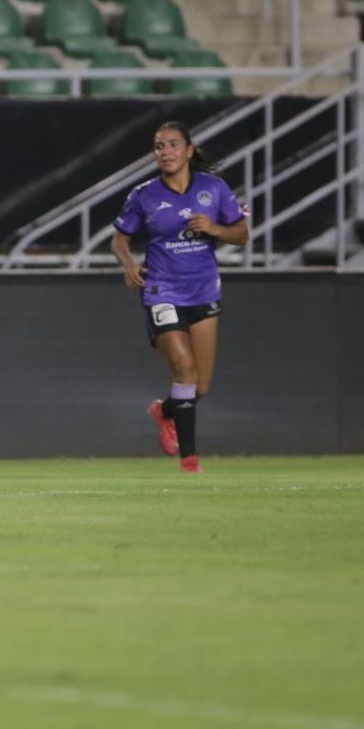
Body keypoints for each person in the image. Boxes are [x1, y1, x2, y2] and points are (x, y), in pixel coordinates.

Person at [110, 122, 249, 473]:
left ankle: (164, 411)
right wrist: (127, 264)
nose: (166, 152)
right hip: (162, 291)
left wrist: (216, 229)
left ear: (189, 150)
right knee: (184, 371)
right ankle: (190, 461)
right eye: (159, 146)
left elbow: (242, 234)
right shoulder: (144, 195)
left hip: (203, 289)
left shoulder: (213, 189)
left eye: (173, 145)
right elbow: (119, 238)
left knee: (200, 385)